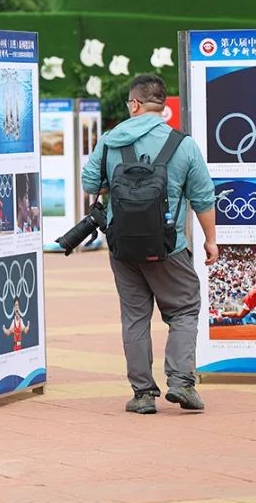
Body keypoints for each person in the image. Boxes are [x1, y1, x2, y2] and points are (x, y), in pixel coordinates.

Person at [81, 73, 217, 415]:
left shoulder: (111, 140)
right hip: (169, 246)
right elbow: (203, 198)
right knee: (184, 310)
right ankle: (181, 383)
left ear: (135, 104)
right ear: (162, 104)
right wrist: (211, 241)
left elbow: (88, 182)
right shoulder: (182, 143)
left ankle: (142, 394)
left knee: (135, 318)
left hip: (122, 246)